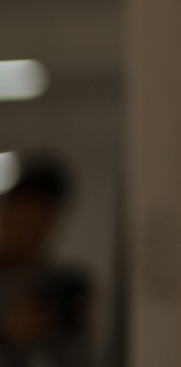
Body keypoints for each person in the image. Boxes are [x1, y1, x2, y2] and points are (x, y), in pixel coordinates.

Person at [0, 155, 90, 367]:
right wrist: (6, 331)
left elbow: (78, 353)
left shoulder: (61, 282)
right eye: (23, 221)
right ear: (6, 216)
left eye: (41, 223)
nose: (31, 234)